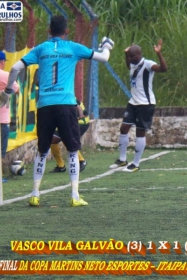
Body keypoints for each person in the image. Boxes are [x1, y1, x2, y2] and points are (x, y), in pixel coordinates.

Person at [0, 15, 114, 206]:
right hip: (66, 104)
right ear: (66, 31)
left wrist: (8, 90)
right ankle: (75, 196)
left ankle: (35, 194)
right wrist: (107, 45)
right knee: (72, 150)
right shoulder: (73, 47)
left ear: (48, 30)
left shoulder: (41, 49)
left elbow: (16, 68)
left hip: (45, 106)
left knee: (42, 151)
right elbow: (103, 58)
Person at [110, 39, 167, 172]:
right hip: (133, 102)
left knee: (140, 132)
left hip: (145, 104)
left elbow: (163, 69)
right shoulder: (133, 64)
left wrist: (159, 53)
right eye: (128, 56)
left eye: (131, 56)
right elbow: (129, 67)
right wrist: (126, 55)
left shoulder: (148, 64)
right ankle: (123, 160)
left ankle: (135, 164)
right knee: (124, 128)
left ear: (139, 54)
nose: (129, 59)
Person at [50, 99, 89, 173]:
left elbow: (77, 105)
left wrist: (80, 114)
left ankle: (81, 161)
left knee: (66, 138)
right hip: (69, 122)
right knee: (53, 139)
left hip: (81, 122)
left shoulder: (65, 95)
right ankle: (61, 166)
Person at [0, 51, 19, 183]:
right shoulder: (5, 75)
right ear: (2, 62)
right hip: (1, 120)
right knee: (1, 151)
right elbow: (16, 89)